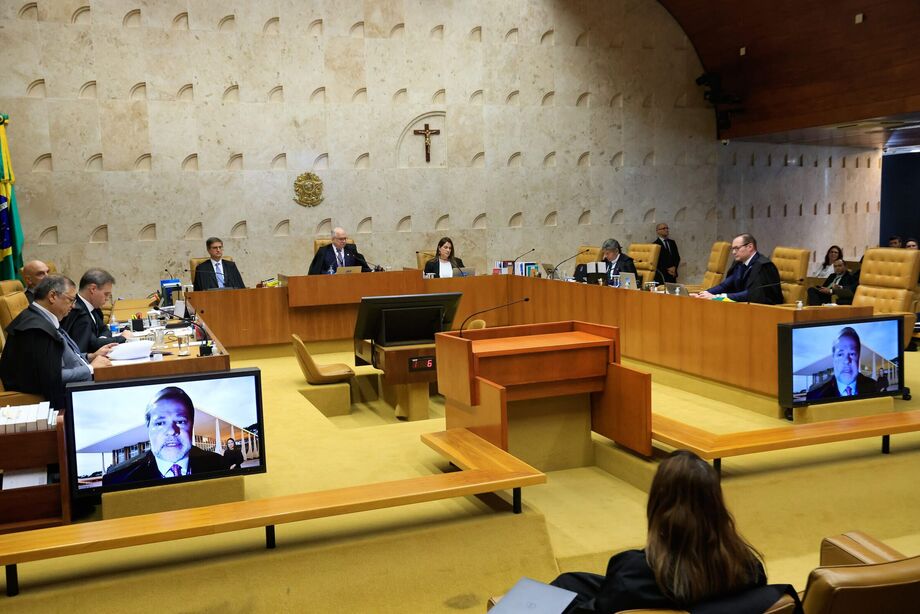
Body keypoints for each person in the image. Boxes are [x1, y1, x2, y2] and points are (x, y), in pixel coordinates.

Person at [550, 450, 794, 613]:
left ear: (658, 505)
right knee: (569, 581)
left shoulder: (632, 572)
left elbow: (601, 608)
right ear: (716, 505)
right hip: (691, 594)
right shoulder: (747, 567)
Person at [0, 275, 115, 408]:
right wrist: (90, 368)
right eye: (71, 300)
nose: (73, 306)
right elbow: (53, 377)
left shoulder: (42, 318)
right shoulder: (36, 330)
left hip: (73, 387)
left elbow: (61, 359)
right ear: (52, 296)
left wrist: (90, 357)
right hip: (56, 401)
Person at [102, 386, 226, 484]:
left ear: (192, 425)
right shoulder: (117, 479)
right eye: (160, 423)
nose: (171, 431)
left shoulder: (219, 465)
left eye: (180, 421)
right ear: (148, 428)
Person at [697, 233, 783, 305]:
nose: (733, 252)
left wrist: (719, 297)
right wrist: (704, 294)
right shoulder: (739, 263)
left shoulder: (764, 266)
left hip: (765, 310)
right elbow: (726, 285)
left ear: (750, 247)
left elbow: (753, 294)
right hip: (744, 305)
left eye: (737, 248)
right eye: (733, 249)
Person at [61, 268, 131, 352]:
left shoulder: (94, 308)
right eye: (106, 294)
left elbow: (104, 329)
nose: (107, 299)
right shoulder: (76, 311)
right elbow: (91, 344)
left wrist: (101, 340)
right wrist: (122, 338)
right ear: (93, 289)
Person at [806, 327, 877, 400]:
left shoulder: (875, 387)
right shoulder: (815, 394)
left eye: (852, 354)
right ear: (833, 358)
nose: (846, 361)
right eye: (840, 354)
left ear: (859, 357)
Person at [308, 227, 373, 275]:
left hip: (350, 283)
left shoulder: (351, 250)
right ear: (333, 239)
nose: (344, 241)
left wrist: (373, 271)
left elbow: (361, 267)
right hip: (329, 284)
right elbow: (316, 271)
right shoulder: (324, 251)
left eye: (345, 238)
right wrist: (331, 274)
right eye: (341, 239)